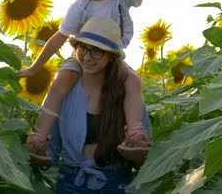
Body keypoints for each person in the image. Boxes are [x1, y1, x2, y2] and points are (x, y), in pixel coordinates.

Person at [20, 0, 214, 165]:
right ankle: (40, 139)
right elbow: (60, 37)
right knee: (59, 84)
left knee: (132, 81)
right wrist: (34, 68)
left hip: (113, 55)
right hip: (82, 55)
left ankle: (135, 135)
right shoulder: (79, 7)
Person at [45, 16, 151, 193]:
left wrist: (135, 151)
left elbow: (145, 160)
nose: (87, 57)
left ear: (111, 57)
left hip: (116, 182)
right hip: (71, 182)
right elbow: (52, 150)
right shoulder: (65, 93)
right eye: (83, 48)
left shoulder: (127, 97)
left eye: (96, 51)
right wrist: (39, 153)